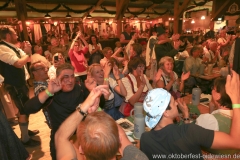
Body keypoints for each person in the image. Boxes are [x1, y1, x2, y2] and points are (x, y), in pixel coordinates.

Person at [140, 70, 240, 160]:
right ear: (165, 112)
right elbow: (236, 142)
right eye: (172, 102)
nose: (176, 103)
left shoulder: (145, 139)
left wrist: (186, 115)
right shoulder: (191, 132)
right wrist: (235, 99)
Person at [55, 85, 148, 160]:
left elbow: (60, 136)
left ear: (81, 149)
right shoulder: (138, 157)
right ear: (119, 140)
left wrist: (85, 106)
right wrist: (97, 111)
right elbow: (121, 135)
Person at [24, 63, 90, 160]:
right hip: (60, 139)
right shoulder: (53, 94)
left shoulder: (79, 88)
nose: (70, 80)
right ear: (57, 78)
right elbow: (27, 108)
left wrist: (91, 90)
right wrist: (49, 92)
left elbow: (99, 105)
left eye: (72, 76)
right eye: (66, 77)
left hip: (82, 136)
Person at [0, 26, 40, 147]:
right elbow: (18, 63)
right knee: (24, 110)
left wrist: (28, 50)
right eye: (15, 34)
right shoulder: (2, 48)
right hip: (14, 84)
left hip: (21, 83)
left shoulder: (13, 48)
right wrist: (27, 53)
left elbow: (28, 59)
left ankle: (25, 131)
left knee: (24, 108)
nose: (17, 36)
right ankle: (25, 139)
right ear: (8, 36)